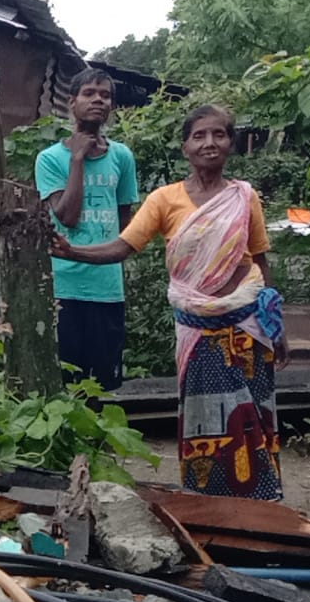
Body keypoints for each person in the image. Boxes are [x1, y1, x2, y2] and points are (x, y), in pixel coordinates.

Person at [50, 105, 289, 500]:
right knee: (206, 421)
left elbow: (260, 262)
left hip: (250, 329)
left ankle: (262, 502)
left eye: (218, 134)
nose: (209, 143)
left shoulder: (245, 198)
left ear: (230, 142)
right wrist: (72, 251)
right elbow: (124, 245)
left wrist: (277, 326)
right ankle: (207, 505)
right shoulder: (165, 199)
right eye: (199, 136)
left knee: (253, 419)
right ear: (185, 147)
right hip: (199, 333)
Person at [35, 68, 138, 391]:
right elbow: (66, 216)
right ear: (72, 102)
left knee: (104, 384)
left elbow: (126, 224)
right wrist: (77, 159)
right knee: (67, 381)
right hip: (65, 286)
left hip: (107, 288)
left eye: (105, 95)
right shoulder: (50, 159)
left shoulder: (121, 156)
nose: (98, 100)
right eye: (89, 93)